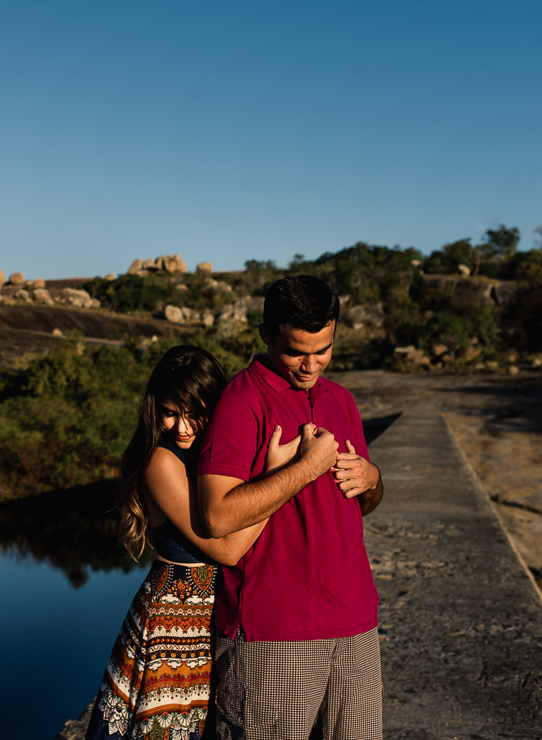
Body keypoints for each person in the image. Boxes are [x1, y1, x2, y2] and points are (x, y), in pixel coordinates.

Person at [85, 345, 306, 740]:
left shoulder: (216, 455)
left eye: (195, 413)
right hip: (174, 617)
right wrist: (281, 478)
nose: (182, 427)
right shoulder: (160, 461)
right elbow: (227, 548)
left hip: (215, 614)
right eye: (171, 412)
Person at [197, 275, 383, 740]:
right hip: (273, 633)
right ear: (265, 335)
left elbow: (363, 504)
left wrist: (374, 478)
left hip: (355, 621)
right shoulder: (241, 402)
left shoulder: (341, 399)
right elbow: (215, 516)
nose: (310, 364)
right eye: (297, 351)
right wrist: (306, 466)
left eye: (323, 349)